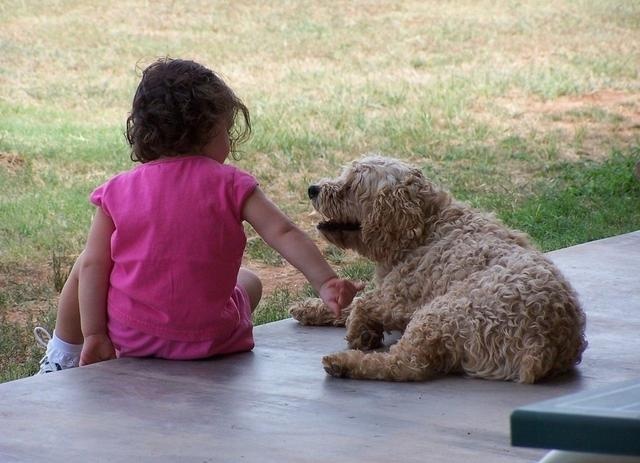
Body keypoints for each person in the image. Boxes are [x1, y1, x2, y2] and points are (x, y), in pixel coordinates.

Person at [34, 57, 364, 374]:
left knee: (86, 261)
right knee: (249, 281)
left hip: (132, 338)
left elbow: (94, 266)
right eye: (227, 131)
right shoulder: (233, 184)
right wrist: (325, 281)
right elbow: (284, 232)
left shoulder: (117, 191)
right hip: (213, 340)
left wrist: (95, 335)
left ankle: (62, 356)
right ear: (209, 129)